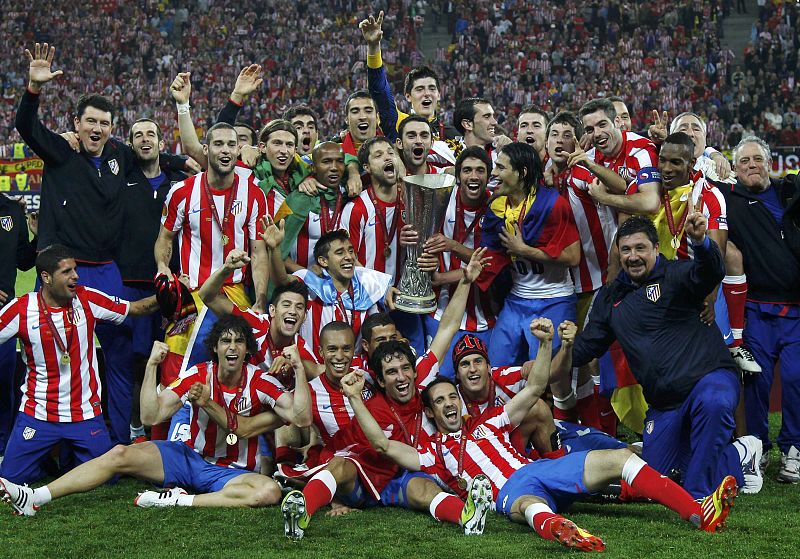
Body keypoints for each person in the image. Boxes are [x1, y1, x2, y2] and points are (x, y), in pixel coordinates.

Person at [342, 318, 739, 551]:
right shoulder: (431, 452)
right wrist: (354, 398)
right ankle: (565, 532)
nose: (449, 403)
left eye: (451, 397)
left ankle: (697, 512)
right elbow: (381, 443)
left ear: (459, 402)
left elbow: (533, 389)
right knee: (530, 504)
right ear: (431, 411)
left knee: (621, 460)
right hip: (507, 493)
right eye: (441, 400)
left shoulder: (491, 420)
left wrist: (546, 343)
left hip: (538, 469)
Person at [14, 43, 188, 446]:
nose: (97, 129)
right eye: (90, 122)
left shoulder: (117, 155)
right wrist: (33, 90)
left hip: (107, 269)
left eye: (104, 123)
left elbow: (155, 156)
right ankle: (51, 432)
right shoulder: (60, 151)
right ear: (75, 124)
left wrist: (185, 164)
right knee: (58, 350)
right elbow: (26, 127)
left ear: (112, 127)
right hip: (65, 267)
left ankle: (117, 440)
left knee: (119, 356)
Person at [0, 314, 309, 515]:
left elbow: (302, 417)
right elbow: (151, 416)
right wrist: (150, 367)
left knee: (268, 491)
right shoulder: (197, 374)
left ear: (247, 349)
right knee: (121, 452)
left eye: (238, 341)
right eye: (225, 340)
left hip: (232, 471)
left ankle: (177, 500)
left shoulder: (260, 381)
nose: (232, 347)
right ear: (214, 347)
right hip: (188, 457)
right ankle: (37, 496)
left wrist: (297, 369)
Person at [556, 214, 763, 498]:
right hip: (665, 405)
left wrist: (701, 243)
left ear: (656, 248)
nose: (633, 256)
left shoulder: (677, 275)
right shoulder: (610, 298)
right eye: (626, 249)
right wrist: (558, 349)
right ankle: (739, 455)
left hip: (709, 380)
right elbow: (587, 347)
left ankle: (698, 497)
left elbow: (711, 271)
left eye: (640, 248)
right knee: (658, 480)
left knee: (713, 404)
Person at [0, 245, 159, 484]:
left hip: (85, 415)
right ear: (46, 277)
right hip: (38, 414)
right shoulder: (22, 310)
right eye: (66, 272)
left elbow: (135, 308)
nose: (75, 276)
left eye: (74, 269)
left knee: (108, 480)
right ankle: (45, 463)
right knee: (9, 479)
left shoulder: (88, 299)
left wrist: (167, 295)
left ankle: (60, 461)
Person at [153, 123, 269, 438]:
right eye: (218, 144)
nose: (225, 150)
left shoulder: (253, 193)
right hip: (192, 296)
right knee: (178, 365)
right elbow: (164, 238)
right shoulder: (182, 191)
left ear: (237, 149)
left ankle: (229, 442)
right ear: (206, 149)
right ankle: (169, 442)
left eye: (231, 144)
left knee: (237, 366)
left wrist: (259, 299)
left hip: (233, 296)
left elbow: (259, 252)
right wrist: (164, 268)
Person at [721, 136, 800, 483]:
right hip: (756, 309)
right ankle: (756, 448)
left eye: (758, 159)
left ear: (770, 162)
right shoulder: (729, 199)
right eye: (744, 161)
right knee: (756, 381)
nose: (752, 165)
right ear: (734, 169)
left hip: (797, 308)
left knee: (797, 379)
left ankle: (793, 450)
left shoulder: (790, 192)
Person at [481, 142, 581, 365]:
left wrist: (524, 250)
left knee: (546, 374)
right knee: (496, 364)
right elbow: (489, 257)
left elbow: (573, 257)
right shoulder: (497, 206)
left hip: (554, 299)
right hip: (517, 299)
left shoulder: (553, 204)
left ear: (522, 172)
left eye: (500, 167)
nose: (494, 173)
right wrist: (450, 245)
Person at [120, 118, 188, 442]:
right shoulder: (122, 179)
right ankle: (136, 429)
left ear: (162, 143)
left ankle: (168, 430)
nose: (144, 139)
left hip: (176, 287)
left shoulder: (178, 182)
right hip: (133, 282)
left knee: (172, 359)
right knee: (137, 361)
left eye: (151, 134)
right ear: (131, 144)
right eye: (138, 135)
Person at [417, 146, 496, 378]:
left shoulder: (497, 208)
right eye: (467, 170)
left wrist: (451, 247)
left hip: (484, 317)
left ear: (488, 177)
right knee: (438, 380)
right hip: (440, 312)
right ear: (458, 175)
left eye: (480, 171)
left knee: (481, 383)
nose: (473, 176)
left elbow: (489, 265)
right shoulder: (441, 199)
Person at [265, 226, 394, 355]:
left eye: (351, 251)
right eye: (340, 252)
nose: (349, 257)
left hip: (355, 369)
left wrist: (387, 291)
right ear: (323, 261)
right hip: (311, 367)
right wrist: (275, 248)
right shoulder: (311, 283)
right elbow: (281, 280)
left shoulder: (368, 287)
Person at [360, 11, 457, 141]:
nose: (427, 93)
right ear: (408, 96)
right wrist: (373, 47)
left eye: (432, 88)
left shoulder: (453, 136)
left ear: (439, 95)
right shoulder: (398, 124)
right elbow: (379, 89)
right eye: (420, 89)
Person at [274, 142, 356, 271]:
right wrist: (308, 276)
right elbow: (277, 250)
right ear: (313, 168)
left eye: (339, 161)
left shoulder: (349, 195)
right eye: (326, 162)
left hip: (341, 283)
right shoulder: (298, 199)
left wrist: (354, 172)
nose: (334, 167)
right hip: (302, 284)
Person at [0, 194, 37, 461]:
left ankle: (3, 450)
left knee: (3, 383)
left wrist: (39, 236)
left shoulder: (12, 209)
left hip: (4, 315)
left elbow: (23, 261)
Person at [577, 98, 661, 216]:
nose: (597, 134)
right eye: (590, 130)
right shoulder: (588, 158)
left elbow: (651, 203)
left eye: (602, 125)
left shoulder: (641, 149)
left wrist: (605, 198)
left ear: (616, 122)